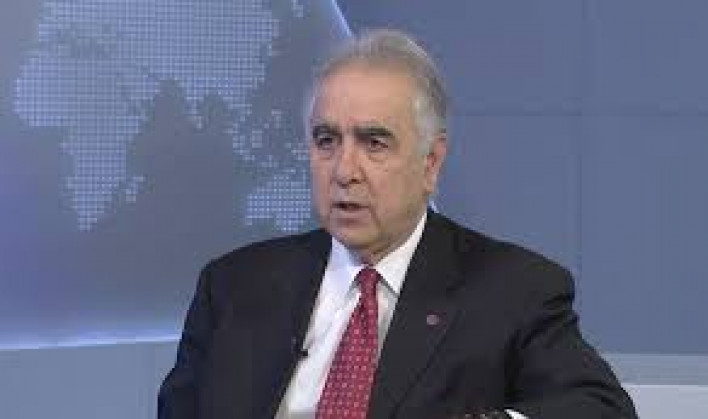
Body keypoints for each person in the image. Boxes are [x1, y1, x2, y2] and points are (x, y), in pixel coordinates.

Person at [158, 29, 638, 419]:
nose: (344, 170)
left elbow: (602, 409)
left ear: (431, 162)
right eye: (326, 140)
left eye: (374, 143)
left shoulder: (511, 290)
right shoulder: (234, 286)